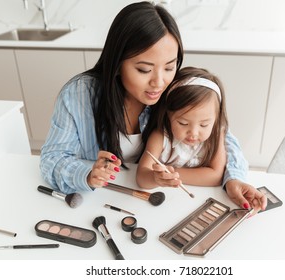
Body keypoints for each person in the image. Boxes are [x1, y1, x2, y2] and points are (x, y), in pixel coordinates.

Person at [40, 1, 266, 212]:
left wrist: (234, 178)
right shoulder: (79, 95)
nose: (159, 82)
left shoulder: (174, 90)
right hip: (99, 201)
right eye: (144, 70)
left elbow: (222, 136)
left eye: (169, 67)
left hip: (152, 204)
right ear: (117, 64)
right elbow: (52, 159)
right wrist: (87, 173)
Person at [137, 67, 228, 188]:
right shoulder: (160, 137)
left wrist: (172, 175)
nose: (194, 133)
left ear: (216, 119)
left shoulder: (216, 135)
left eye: (204, 125)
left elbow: (216, 177)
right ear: (168, 114)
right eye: (183, 123)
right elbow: (141, 177)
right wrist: (155, 178)